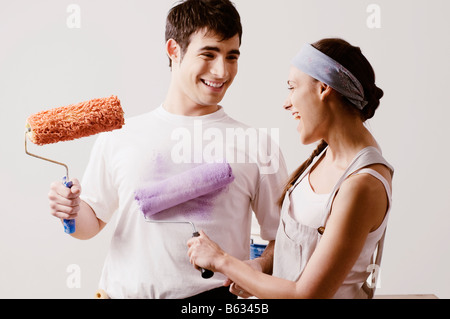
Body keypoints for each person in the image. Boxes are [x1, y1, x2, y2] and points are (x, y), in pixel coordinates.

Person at [47, 0, 287, 299]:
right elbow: (89, 223)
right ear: (174, 50)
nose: (221, 70)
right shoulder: (121, 136)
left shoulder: (256, 145)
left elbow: (285, 240)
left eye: (232, 56)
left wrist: (259, 266)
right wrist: (69, 212)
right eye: (208, 54)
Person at [187, 38, 394, 299]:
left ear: (323, 88)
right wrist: (255, 269)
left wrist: (221, 260)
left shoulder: (362, 185)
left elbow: (306, 295)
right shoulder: (324, 156)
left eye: (292, 87)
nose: (287, 103)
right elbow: (297, 254)